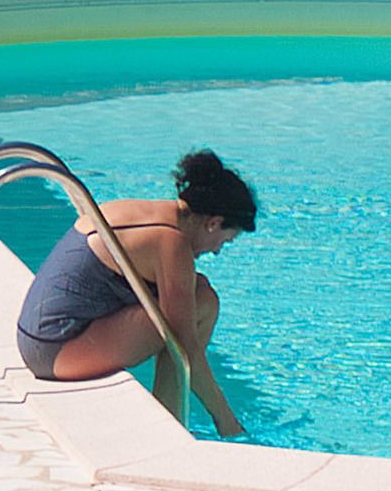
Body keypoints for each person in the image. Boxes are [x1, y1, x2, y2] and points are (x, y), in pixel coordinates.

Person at [15, 146, 256, 391]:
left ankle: (173, 416)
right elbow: (187, 348)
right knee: (197, 310)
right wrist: (228, 423)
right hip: (53, 351)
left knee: (199, 291)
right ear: (213, 223)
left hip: (36, 338)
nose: (216, 251)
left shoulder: (141, 211)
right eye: (224, 242)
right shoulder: (171, 241)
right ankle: (205, 422)